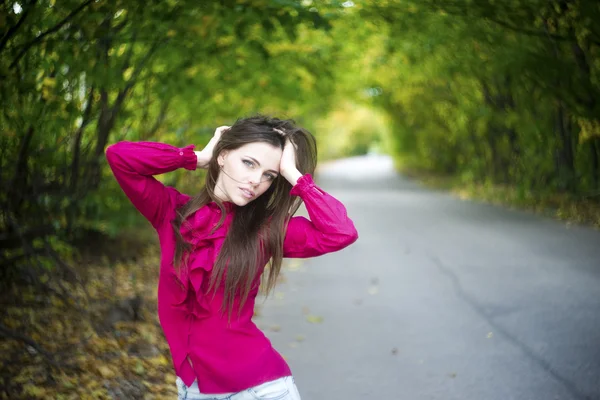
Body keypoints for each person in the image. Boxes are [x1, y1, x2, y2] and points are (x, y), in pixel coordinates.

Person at [105, 115, 358, 399]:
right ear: (223, 156)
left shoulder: (267, 229)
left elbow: (340, 232)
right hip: (193, 389)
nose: (255, 181)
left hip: (261, 390)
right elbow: (119, 156)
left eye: (269, 175)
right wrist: (197, 158)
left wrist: (292, 172)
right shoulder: (171, 212)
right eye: (249, 163)